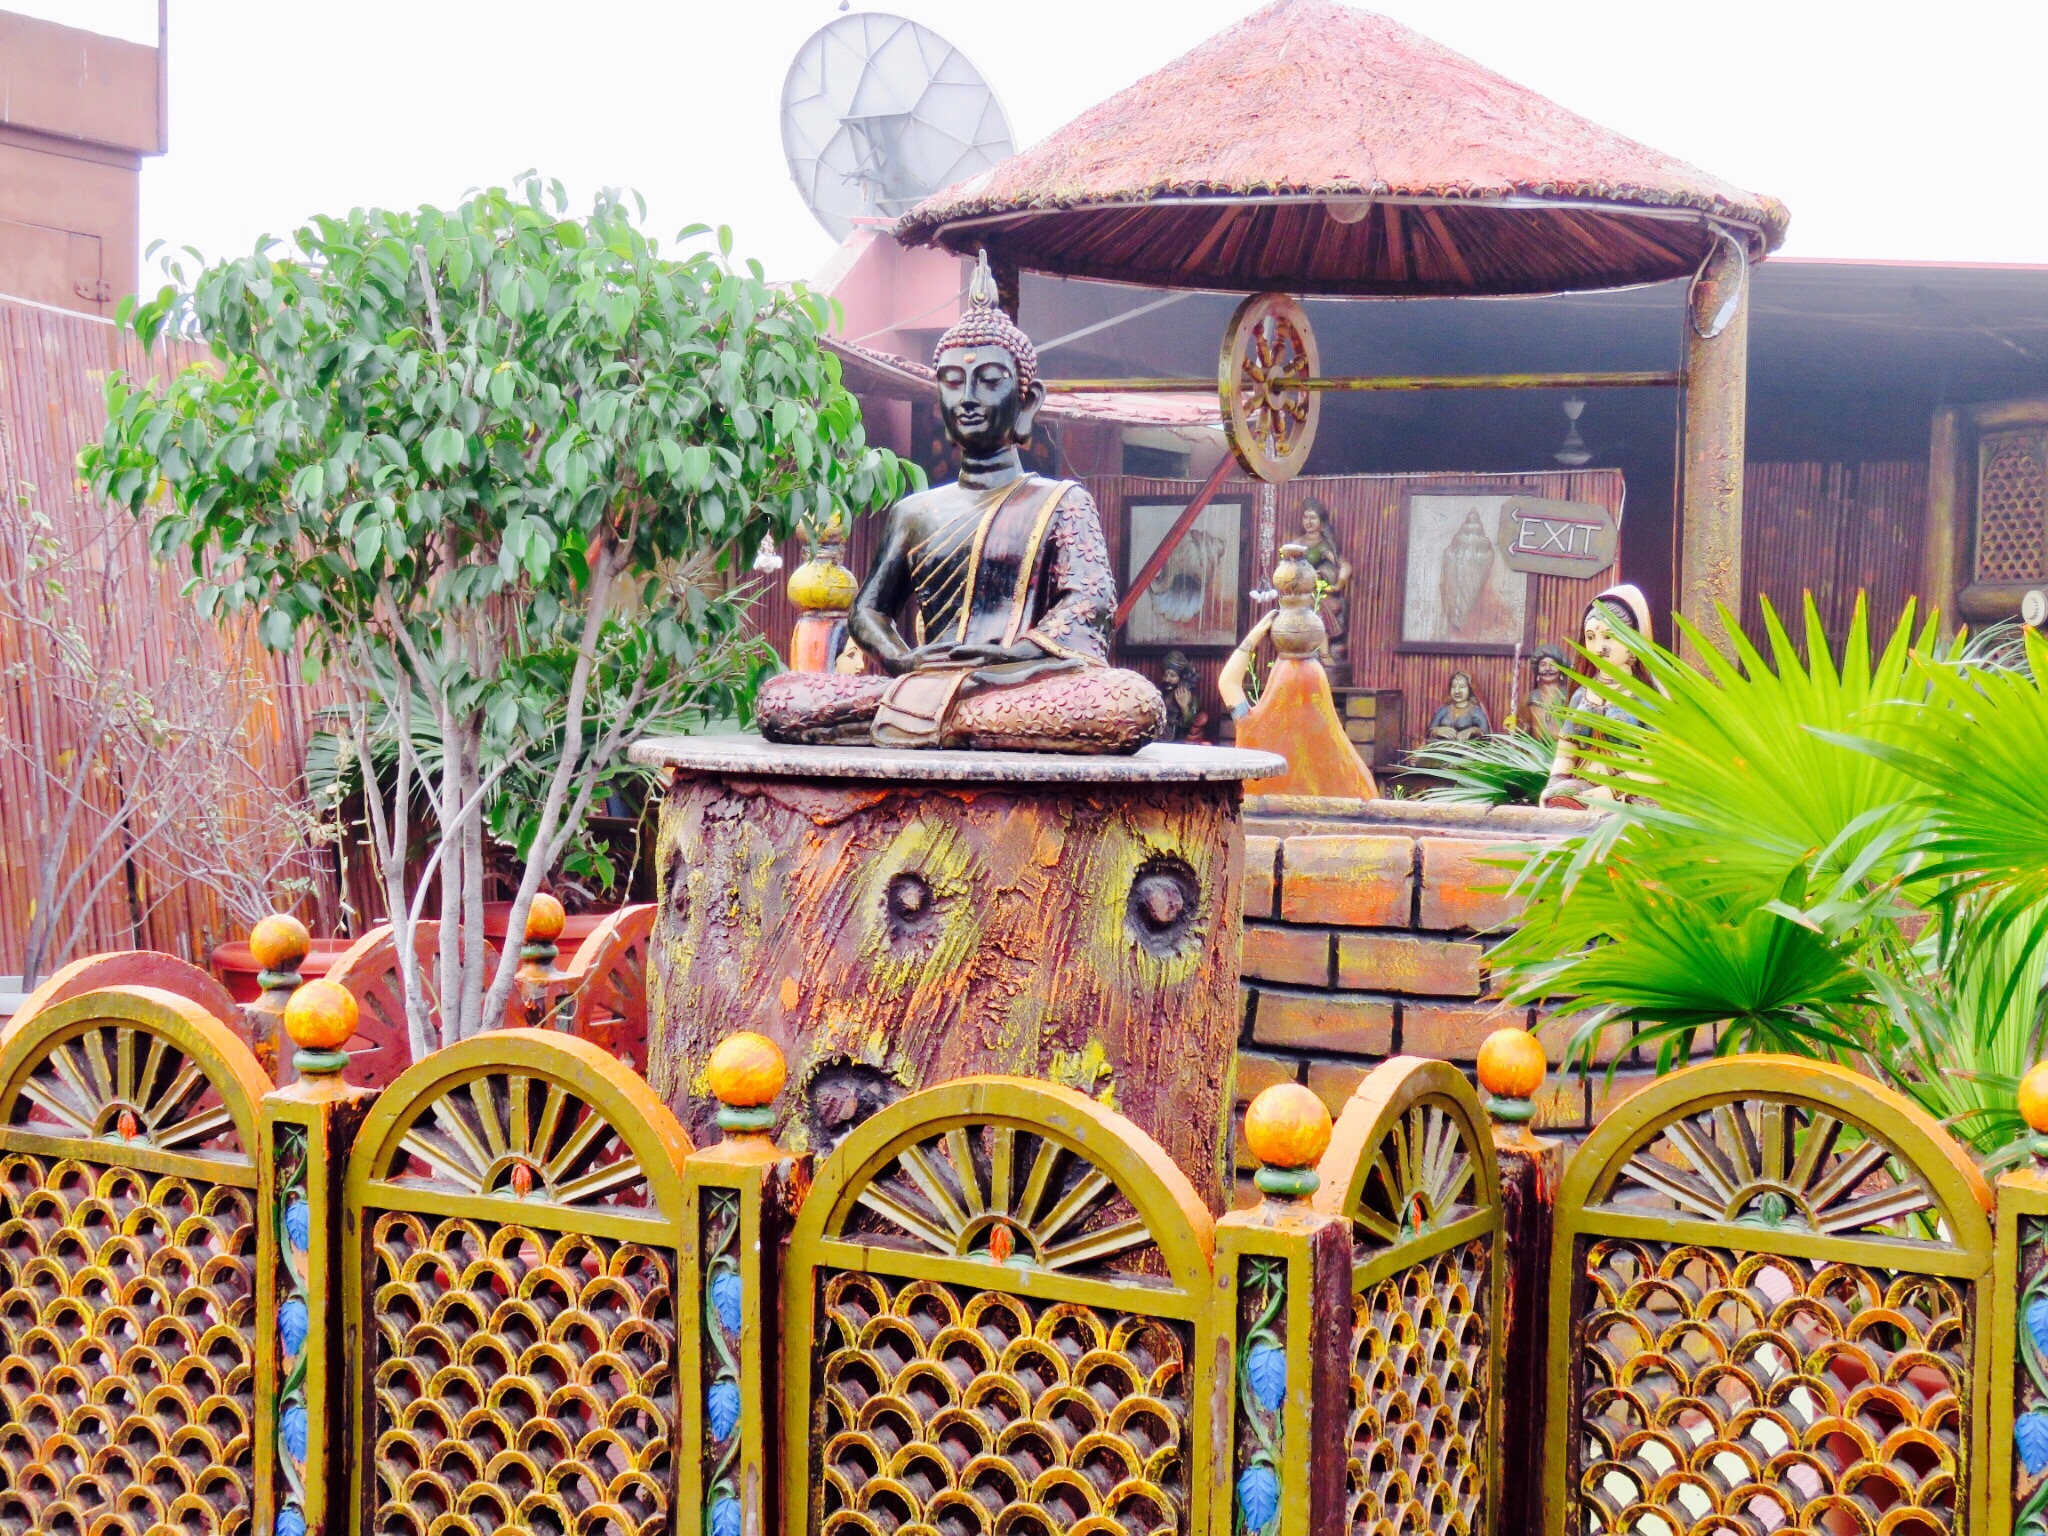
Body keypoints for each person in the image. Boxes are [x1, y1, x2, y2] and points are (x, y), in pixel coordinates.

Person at [756, 257, 1163, 754]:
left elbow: (1089, 605)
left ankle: (934, 719)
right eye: (952, 381)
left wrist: (1009, 657)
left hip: (1021, 685)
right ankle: (948, 717)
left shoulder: (1062, 502)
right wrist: (904, 661)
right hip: (926, 680)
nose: (967, 397)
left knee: (1129, 703)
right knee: (782, 699)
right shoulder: (915, 512)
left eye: (989, 381)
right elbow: (869, 610)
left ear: (1027, 402)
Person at [1542, 583, 1652, 808]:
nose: (1598, 647)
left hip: (1631, 793)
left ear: (1632, 641)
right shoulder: (1581, 696)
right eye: (1590, 637)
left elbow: (1658, 767)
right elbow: (1566, 754)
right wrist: (1553, 786)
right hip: (1584, 788)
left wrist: (1611, 790)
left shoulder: (1645, 699)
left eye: (1608, 637)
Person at [1426, 671, 1491, 742]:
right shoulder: (1443, 710)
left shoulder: (1476, 711)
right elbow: (1429, 732)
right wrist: (1437, 731)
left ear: (1470, 689)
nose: (1457, 691)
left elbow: (1486, 735)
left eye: (1462, 687)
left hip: (1466, 747)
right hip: (1441, 746)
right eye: (1453, 687)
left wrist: (1474, 730)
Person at [1524, 645, 1570, 740]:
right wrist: (1517, 726)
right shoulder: (1529, 699)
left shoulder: (1569, 698)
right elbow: (1524, 725)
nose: (1547, 668)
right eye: (1543, 665)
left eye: (1553, 665)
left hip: (1562, 747)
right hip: (1536, 748)